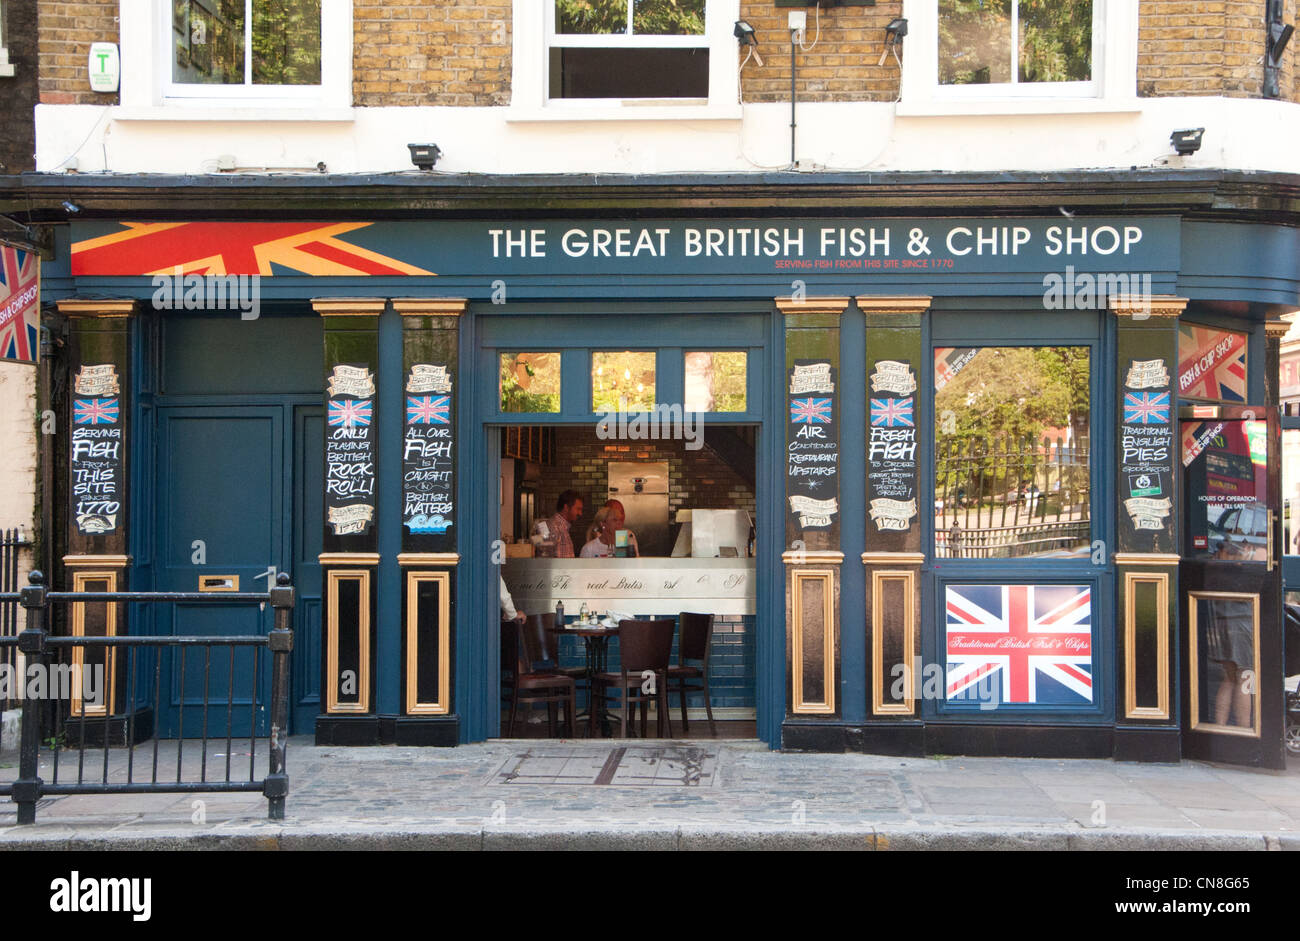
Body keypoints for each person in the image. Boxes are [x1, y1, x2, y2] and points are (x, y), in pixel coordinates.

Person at [537, 490, 583, 558]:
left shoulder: (563, 528)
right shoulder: (551, 526)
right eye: (578, 509)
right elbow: (546, 560)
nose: (580, 513)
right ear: (566, 508)